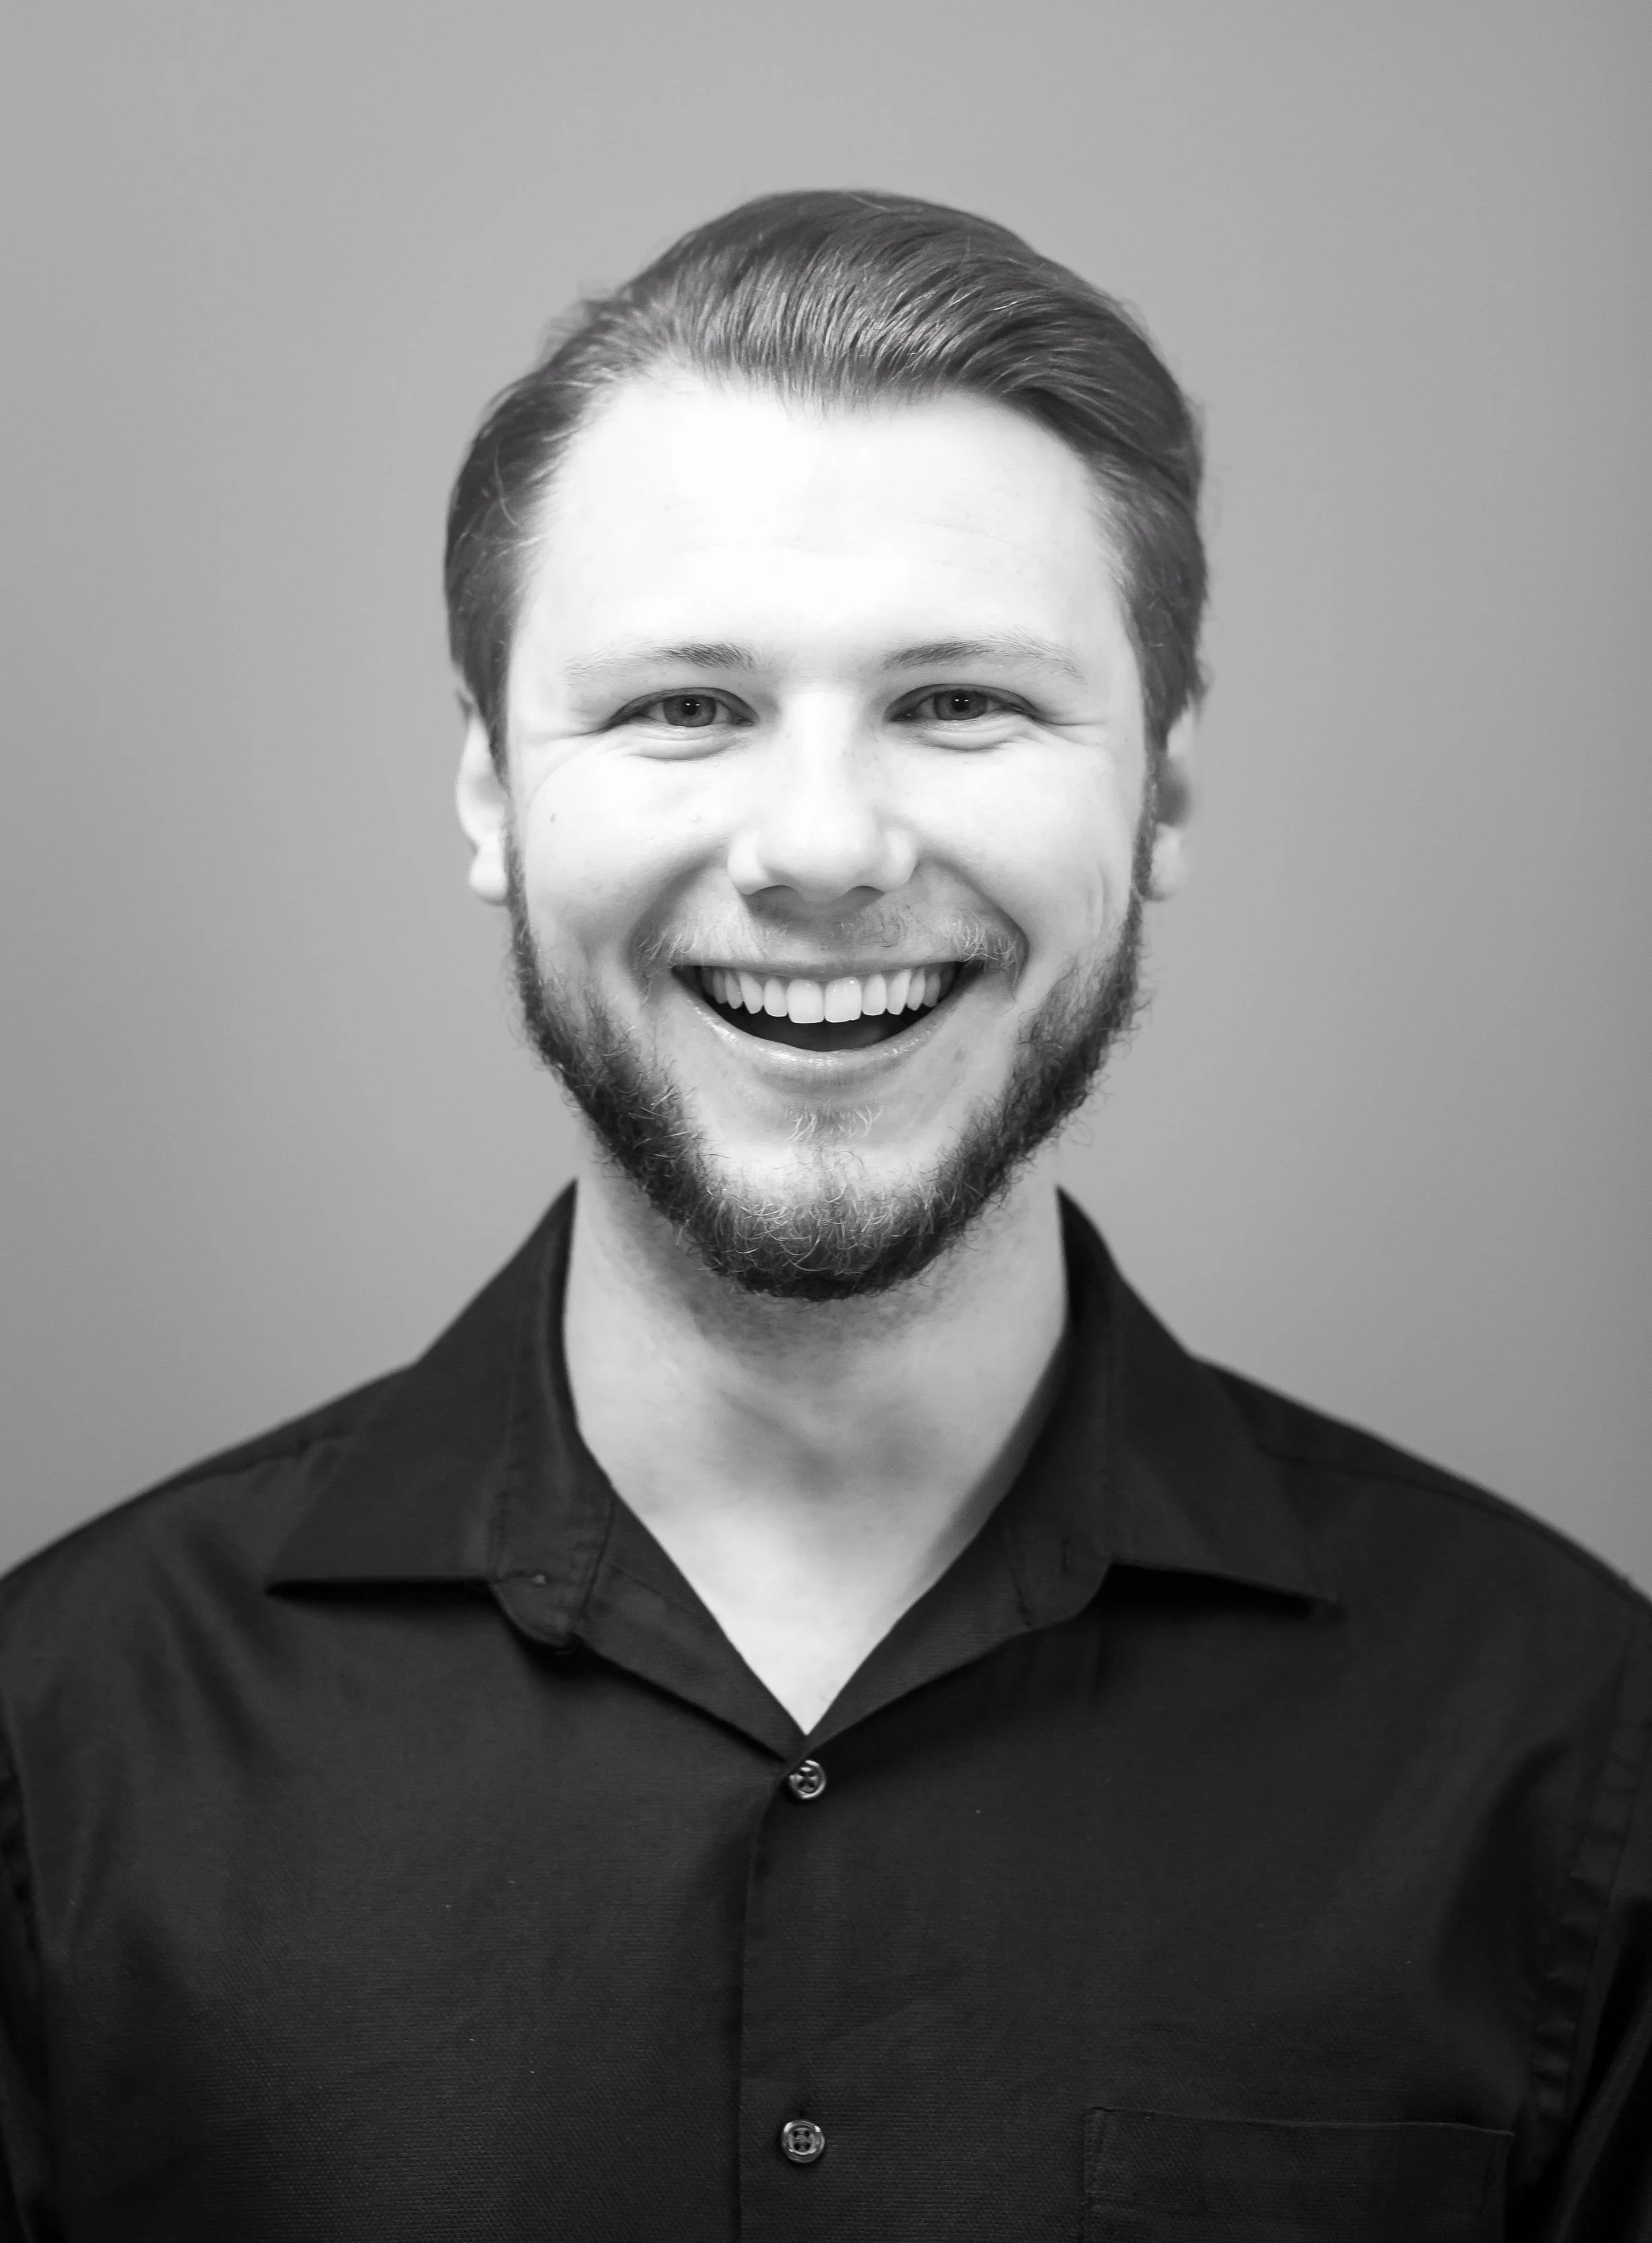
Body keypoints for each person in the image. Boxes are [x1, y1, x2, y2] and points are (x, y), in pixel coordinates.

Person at [0, 193, 1646, 2241]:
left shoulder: (1573, 1758)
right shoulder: (55, 1752)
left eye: (959, 701)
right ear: (492, 799)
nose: (820, 849)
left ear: (1168, 798)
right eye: (686, 706)